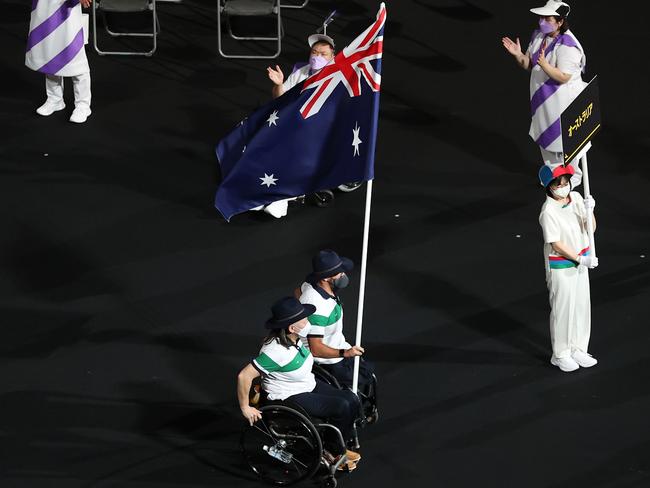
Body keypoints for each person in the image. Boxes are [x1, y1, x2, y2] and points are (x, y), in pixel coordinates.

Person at [236, 296, 361, 470]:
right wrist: (245, 408)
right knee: (341, 407)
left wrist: (344, 352)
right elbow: (244, 376)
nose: (308, 321)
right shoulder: (275, 352)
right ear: (292, 327)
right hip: (289, 395)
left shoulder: (296, 339)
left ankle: (340, 444)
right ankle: (332, 450)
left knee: (352, 399)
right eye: (304, 320)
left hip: (307, 383)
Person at [502, 0, 587, 187]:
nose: (542, 21)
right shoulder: (539, 36)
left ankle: (568, 194)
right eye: (541, 17)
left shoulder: (568, 46)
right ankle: (554, 190)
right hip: (543, 108)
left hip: (563, 109)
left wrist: (546, 65)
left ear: (559, 22)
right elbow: (529, 64)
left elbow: (564, 77)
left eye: (547, 18)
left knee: (569, 160)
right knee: (549, 158)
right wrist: (518, 55)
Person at [252, 34, 337, 219]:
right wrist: (279, 84)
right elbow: (281, 98)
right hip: (294, 122)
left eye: (323, 54)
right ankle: (260, 193)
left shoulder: (336, 77)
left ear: (332, 57)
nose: (317, 57)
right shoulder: (302, 72)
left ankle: (280, 200)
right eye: (314, 52)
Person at [538, 164, 598, 372]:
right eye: (559, 183)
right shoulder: (548, 212)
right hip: (561, 266)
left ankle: (578, 348)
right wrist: (580, 260)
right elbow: (556, 244)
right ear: (549, 187)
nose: (564, 186)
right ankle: (561, 354)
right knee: (563, 309)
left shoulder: (578, 198)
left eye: (565, 181)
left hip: (582, 259)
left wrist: (590, 212)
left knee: (581, 306)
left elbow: (591, 229)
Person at [298, 250, 375, 393]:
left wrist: (301, 312)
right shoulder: (318, 307)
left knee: (369, 371)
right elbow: (316, 349)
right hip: (329, 361)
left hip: (340, 346)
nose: (343, 275)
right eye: (339, 273)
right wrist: (345, 352)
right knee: (363, 378)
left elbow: (299, 291)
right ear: (326, 278)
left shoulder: (311, 284)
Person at [26, 0, 93, 124]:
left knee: (75, 56)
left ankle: (83, 105)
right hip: (44, 7)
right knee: (49, 51)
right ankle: (55, 98)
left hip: (67, 9)